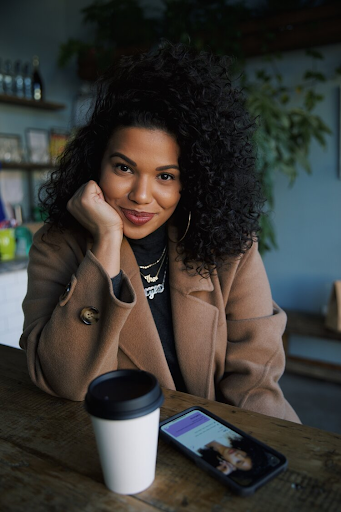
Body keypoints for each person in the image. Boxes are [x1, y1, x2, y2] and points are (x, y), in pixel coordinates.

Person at [20, 42, 299, 422]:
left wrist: (272, 461)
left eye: (166, 176)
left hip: (218, 445)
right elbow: (65, 381)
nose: (140, 195)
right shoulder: (56, 247)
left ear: (194, 182)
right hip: (116, 448)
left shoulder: (231, 247)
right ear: (97, 163)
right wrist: (104, 246)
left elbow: (256, 383)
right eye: (124, 168)